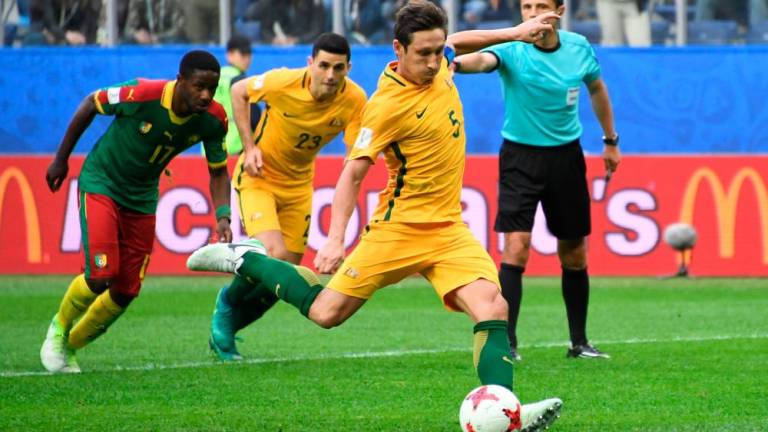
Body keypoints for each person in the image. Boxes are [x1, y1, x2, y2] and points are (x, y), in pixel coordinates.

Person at [189, 2, 563, 429]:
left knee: (493, 306)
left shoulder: (439, 63)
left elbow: (459, 42)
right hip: (398, 229)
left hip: (447, 230)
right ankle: (245, 259)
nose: (433, 61)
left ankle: (508, 412)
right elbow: (352, 173)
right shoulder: (385, 105)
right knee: (327, 313)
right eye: (422, 53)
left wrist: (516, 32)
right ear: (398, 49)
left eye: (437, 51)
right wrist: (334, 240)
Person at [40, 50, 233, 374]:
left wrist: (223, 216)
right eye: (199, 86)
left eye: (211, 89)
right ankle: (58, 329)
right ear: (180, 80)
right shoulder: (142, 94)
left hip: (141, 198)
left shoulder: (214, 120)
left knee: (126, 290)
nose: (205, 95)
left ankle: (70, 347)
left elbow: (218, 172)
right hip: (102, 182)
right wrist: (61, 159)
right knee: (101, 274)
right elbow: (91, 103)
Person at [452, 0, 620, 360]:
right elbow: (471, 57)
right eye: (526, 6)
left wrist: (610, 141)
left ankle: (579, 342)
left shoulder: (577, 47)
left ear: (559, 10)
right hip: (519, 158)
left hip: (566, 157)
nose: (532, 13)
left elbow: (597, 88)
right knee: (517, 248)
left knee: (574, 253)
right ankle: (507, 344)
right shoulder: (512, 49)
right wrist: (451, 64)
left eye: (541, 5)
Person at [207, 32, 367, 361]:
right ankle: (225, 305)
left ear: (348, 68)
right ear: (310, 63)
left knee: (286, 276)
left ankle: (229, 326)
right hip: (259, 179)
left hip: (298, 187)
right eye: (324, 65)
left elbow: (353, 158)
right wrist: (249, 148)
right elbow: (239, 91)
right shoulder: (283, 82)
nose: (330, 75)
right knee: (274, 253)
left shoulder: (354, 100)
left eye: (338, 68)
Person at [213, 35, 254, 155]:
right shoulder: (240, 80)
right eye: (243, 54)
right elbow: (254, 115)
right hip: (237, 146)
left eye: (249, 54)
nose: (247, 59)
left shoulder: (213, 76)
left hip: (211, 147)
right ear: (229, 54)